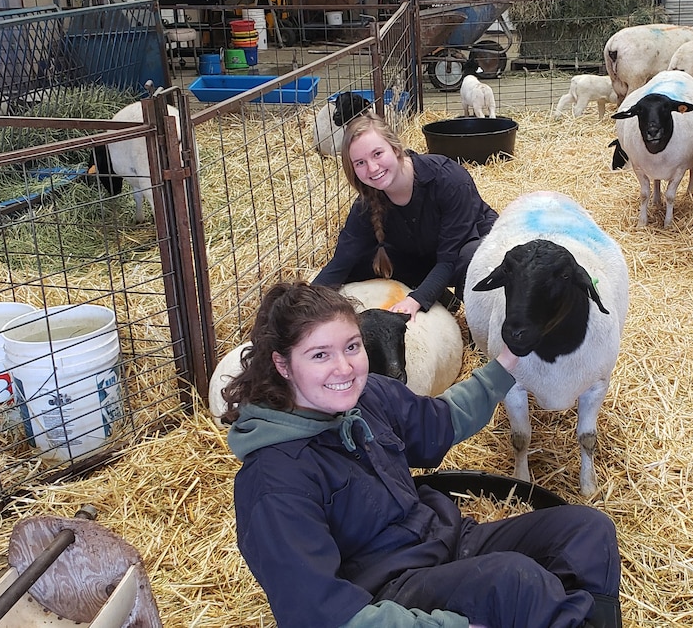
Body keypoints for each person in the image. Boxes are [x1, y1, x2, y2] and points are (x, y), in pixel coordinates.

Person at [223, 280, 622, 628]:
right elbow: (321, 615)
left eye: (352, 346)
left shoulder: (366, 398)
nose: (344, 368)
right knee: (514, 582)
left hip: (448, 541)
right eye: (320, 355)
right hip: (390, 593)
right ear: (283, 365)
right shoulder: (274, 481)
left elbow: (441, 421)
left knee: (587, 531)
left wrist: (507, 361)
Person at [312, 111, 498, 320]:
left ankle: (479, 328)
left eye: (377, 154)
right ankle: (444, 300)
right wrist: (303, 304)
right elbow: (341, 262)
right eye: (360, 163)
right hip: (424, 254)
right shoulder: (367, 204)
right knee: (362, 262)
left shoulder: (448, 179)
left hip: (466, 249)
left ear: (395, 148)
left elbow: (449, 258)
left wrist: (415, 300)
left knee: (472, 258)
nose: (372, 168)